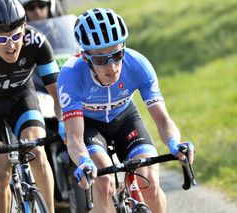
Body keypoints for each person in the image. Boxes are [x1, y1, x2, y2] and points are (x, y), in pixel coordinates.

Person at [57, 8, 195, 213]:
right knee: (104, 182)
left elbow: (163, 121)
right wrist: (84, 162)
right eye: (101, 60)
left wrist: (175, 143)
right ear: (85, 57)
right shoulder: (70, 75)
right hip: (89, 126)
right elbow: (75, 139)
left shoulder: (138, 64)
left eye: (117, 54)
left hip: (124, 118)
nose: (111, 66)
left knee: (149, 183)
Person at [0, 0, 64, 212]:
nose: (11, 45)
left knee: (37, 151)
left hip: (21, 97)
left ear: (24, 27)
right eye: (1, 39)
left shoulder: (37, 41)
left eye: (16, 36)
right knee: (1, 171)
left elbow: (58, 94)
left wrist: (64, 121)